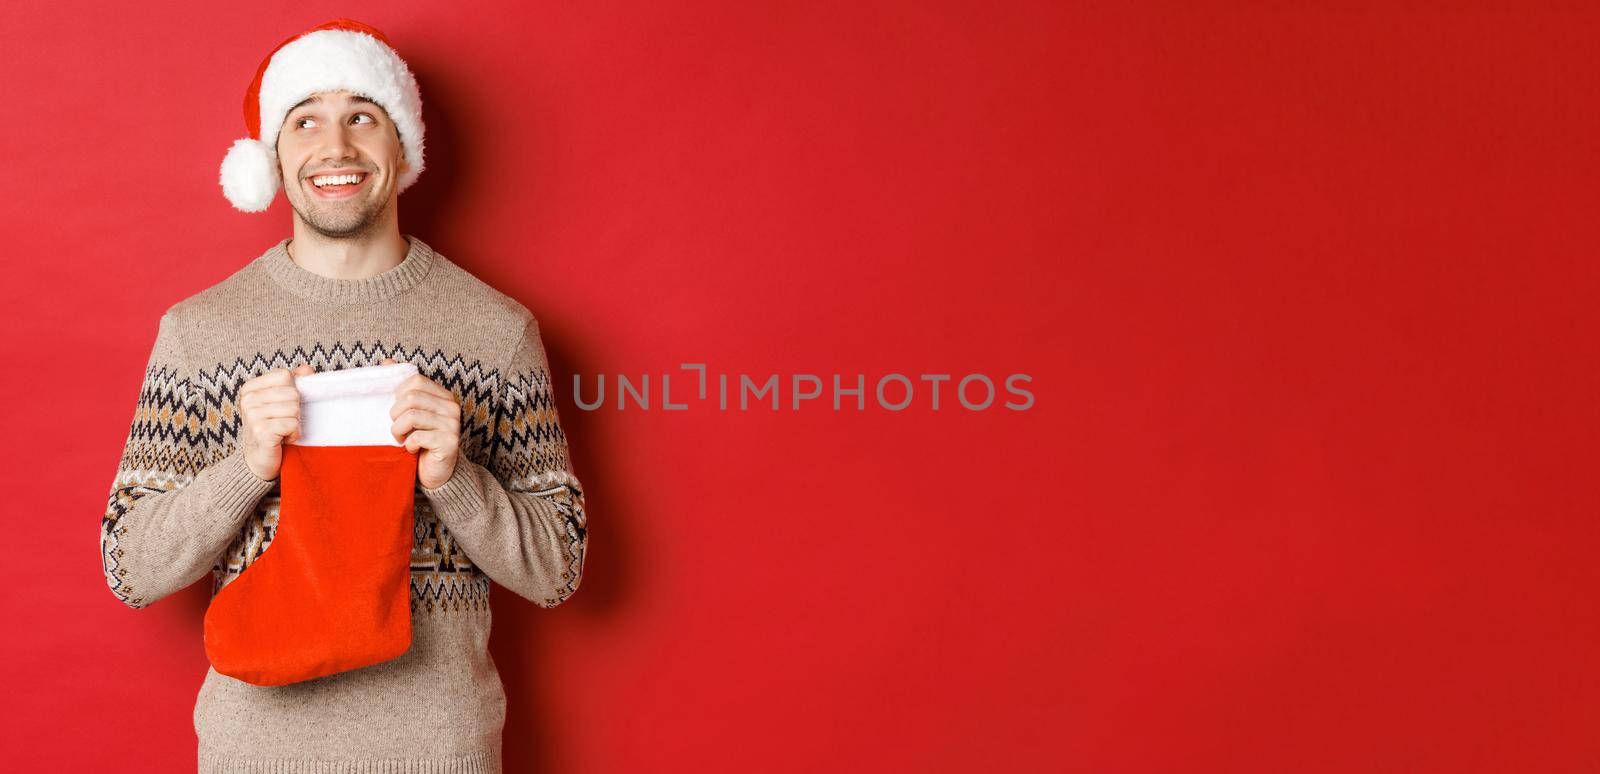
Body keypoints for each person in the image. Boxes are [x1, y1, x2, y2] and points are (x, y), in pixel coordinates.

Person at [98, 18, 587, 772]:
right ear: (273, 157)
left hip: (439, 749)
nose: (336, 148)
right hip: (255, 752)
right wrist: (244, 468)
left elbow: (558, 571)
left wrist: (456, 480)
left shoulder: (495, 331)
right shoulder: (200, 333)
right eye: (306, 122)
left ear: (402, 148)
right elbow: (130, 567)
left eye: (363, 116)